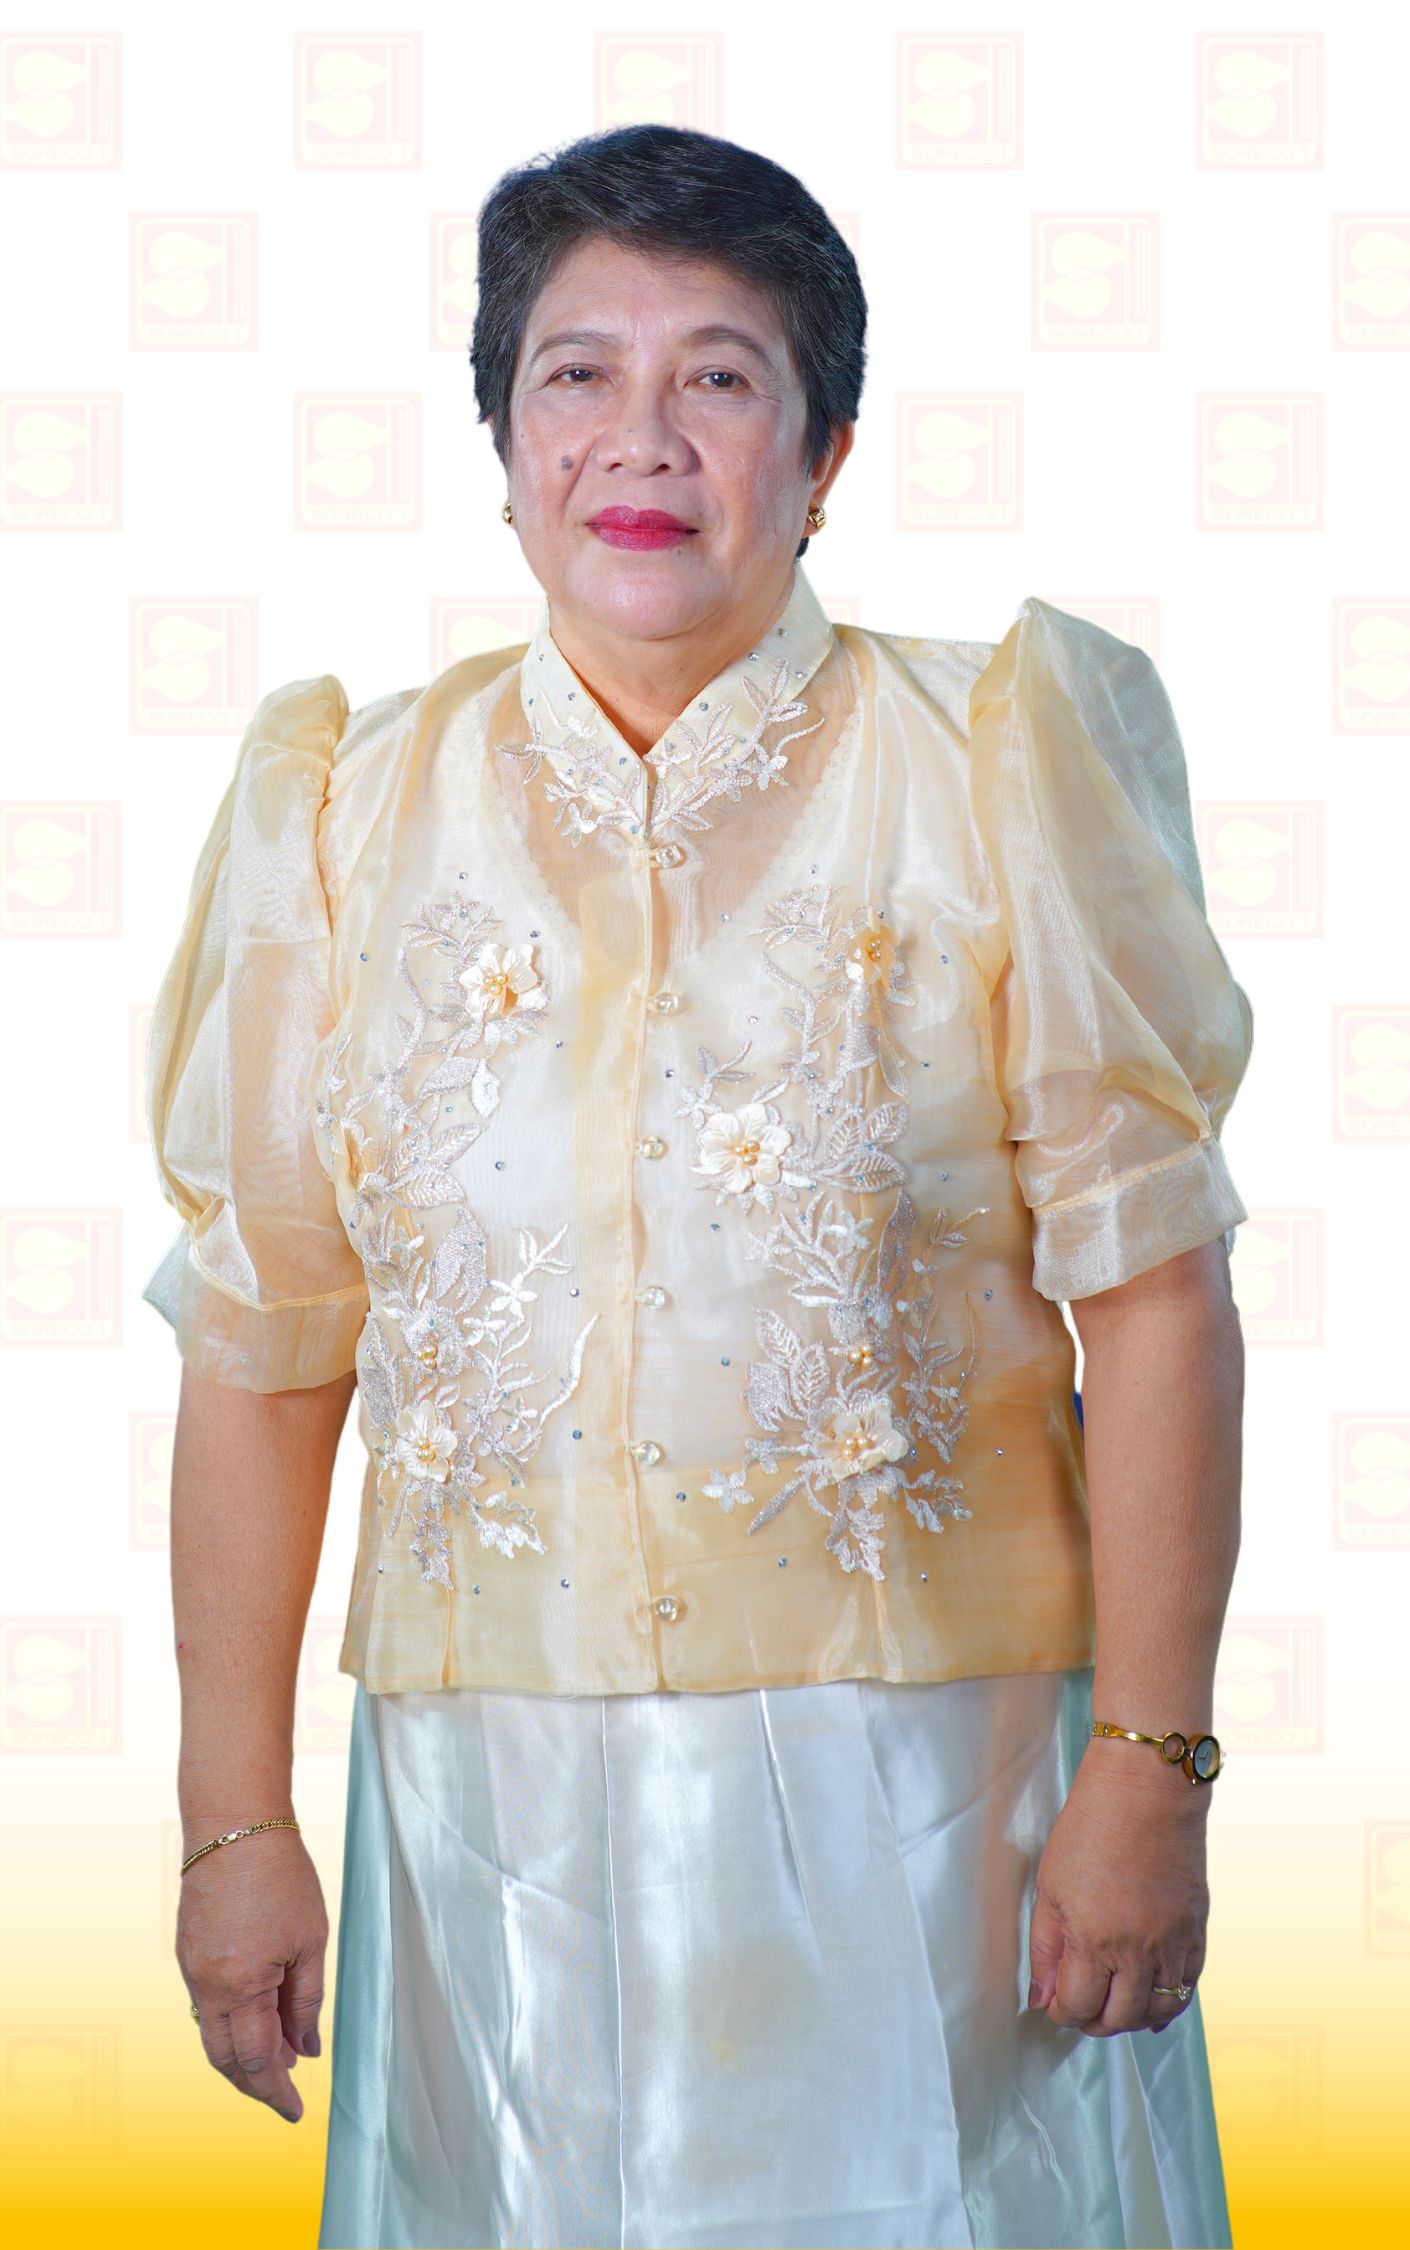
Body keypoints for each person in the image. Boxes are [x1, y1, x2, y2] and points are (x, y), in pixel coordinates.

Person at [142, 123, 1253, 2250]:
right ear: (501, 440)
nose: (639, 439)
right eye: (576, 374)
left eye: (719, 377)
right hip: (485, 1815)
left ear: (823, 453)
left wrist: (1151, 1764)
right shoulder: (341, 820)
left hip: (934, 1801)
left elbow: (1157, 1302)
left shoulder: (995, 762)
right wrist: (229, 1823)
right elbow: (265, 1352)